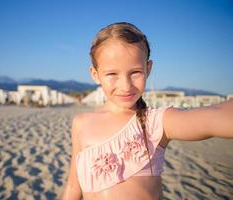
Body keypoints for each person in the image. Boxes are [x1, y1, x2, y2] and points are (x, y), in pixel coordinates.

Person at [61, 22, 233, 200]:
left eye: (135, 72)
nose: (125, 86)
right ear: (95, 74)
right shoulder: (81, 123)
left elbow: (215, 115)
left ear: (148, 69)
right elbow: (74, 186)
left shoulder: (156, 122)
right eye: (112, 74)